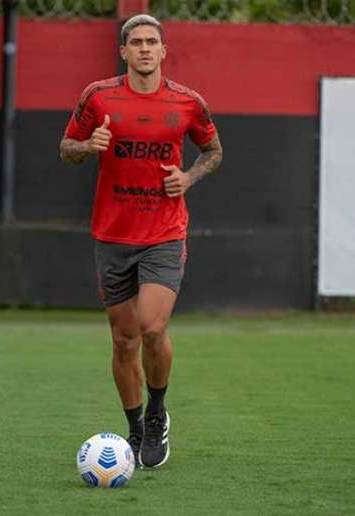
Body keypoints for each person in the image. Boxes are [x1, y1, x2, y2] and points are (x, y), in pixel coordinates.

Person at [59, 14, 223, 469]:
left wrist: (188, 177)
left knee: (152, 328)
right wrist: (88, 144)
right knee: (123, 339)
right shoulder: (97, 96)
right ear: (124, 51)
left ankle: (157, 413)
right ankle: (133, 429)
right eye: (137, 42)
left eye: (153, 42)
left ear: (164, 51)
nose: (146, 49)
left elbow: (214, 151)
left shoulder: (188, 103)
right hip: (112, 234)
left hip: (164, 232)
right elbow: (66, 148)